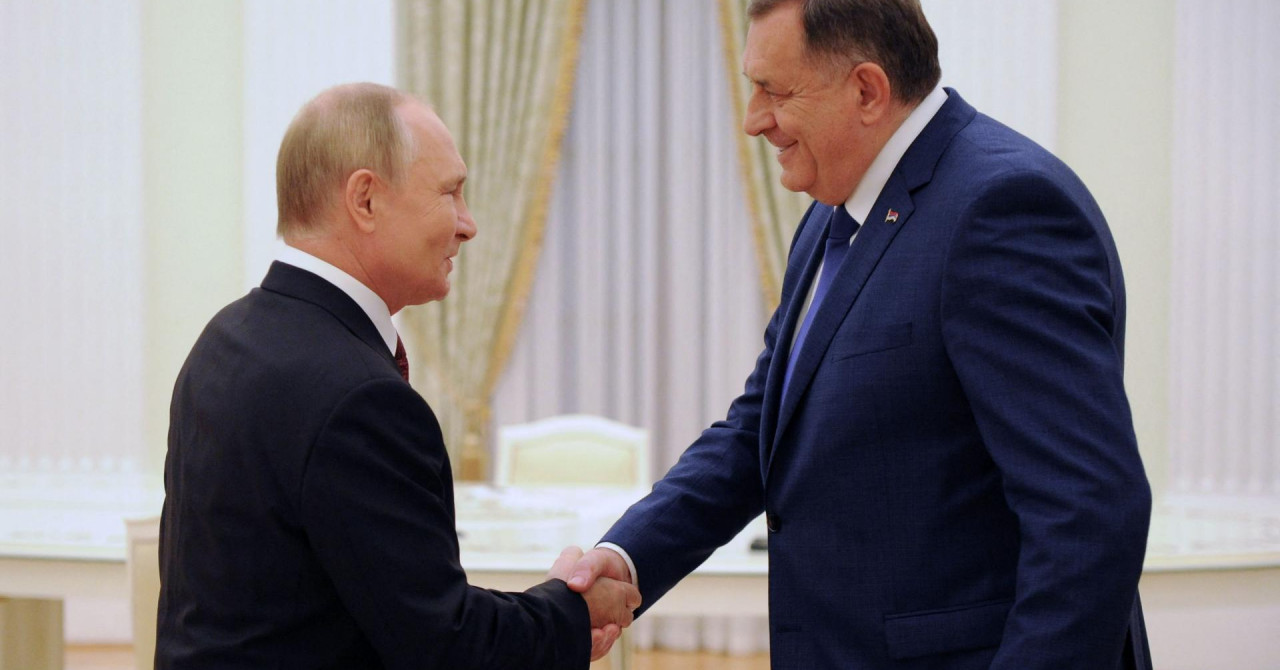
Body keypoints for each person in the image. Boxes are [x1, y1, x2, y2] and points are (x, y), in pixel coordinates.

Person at [568, 1, 1154, 668]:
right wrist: (625, 559)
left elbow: (1087, 512)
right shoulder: (831, 217)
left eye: (774, 91)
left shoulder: (1000, 208)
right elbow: (760, 430)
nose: (754, 119)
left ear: (868, 90)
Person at [156, 83, 639, 670]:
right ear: (365, 200)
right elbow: (444, 645)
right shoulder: (359, 396)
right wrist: (570, 610)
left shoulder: (225, 338)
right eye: (450, 192)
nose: (468, 225)